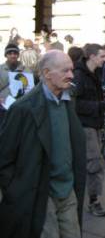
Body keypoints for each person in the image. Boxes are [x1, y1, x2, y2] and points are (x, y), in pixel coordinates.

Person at [0, 50, 86, 238]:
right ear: (47, 73)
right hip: (39, 193)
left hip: (67, 190)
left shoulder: (67, 101)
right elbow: (4, 158)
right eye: (65, 71)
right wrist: (17, 191)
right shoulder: (23, 109)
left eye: (71, 70)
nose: (71, 75)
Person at [73, 43, 105, 217]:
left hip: (95, 124)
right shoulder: (79, 75)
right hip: (85, 125)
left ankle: (85, 198)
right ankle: (93, 202)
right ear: (92, 57)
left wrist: (103, 103)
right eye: (102, 56)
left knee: (90, 163)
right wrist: (99, 105)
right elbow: (75, 104)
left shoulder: (95, 73)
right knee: (94, 162)